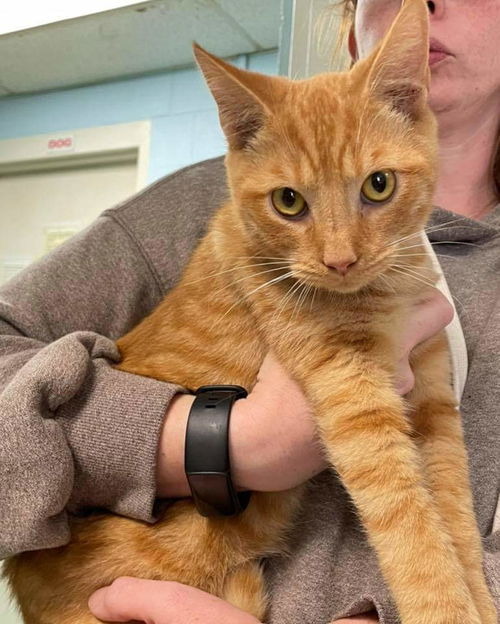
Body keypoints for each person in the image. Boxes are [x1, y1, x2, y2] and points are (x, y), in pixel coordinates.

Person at [0, 0, 498, 622]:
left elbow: (433, 436)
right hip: (127, 569)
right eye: (291, 201)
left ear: (407, 102)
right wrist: (220, 441)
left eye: (377, 186)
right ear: (352, 22)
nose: (339, 255)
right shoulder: (186, 217)